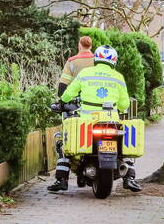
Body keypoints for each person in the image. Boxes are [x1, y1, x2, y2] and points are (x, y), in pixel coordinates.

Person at [48, 44, 142, 193]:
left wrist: (63, 101)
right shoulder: (118, 77)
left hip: (87, 121)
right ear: (114, 61)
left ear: (96, 58)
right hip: (111, 121)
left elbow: (69, 93)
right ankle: (129, 177)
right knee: (123, 147)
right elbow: (124, 104)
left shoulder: (86, 73)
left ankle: (61, 179)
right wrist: (119, 107)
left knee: (64, 142)